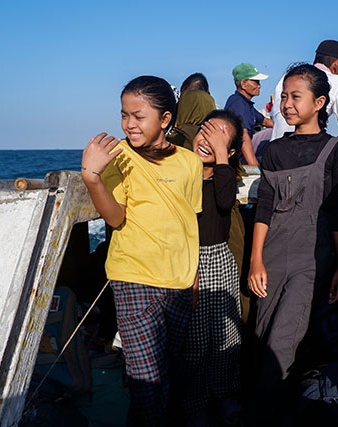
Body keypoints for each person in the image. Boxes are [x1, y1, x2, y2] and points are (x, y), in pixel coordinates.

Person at [81, 75, 203, 426]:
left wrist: (193, 279)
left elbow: (187, 225)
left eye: (138, 116)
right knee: (145, 376)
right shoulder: (119, 157)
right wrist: (92, 178)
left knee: (169, 369)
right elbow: (115, 218)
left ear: (165, 119)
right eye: (124, 115)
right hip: (132, 276)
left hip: (179, 281)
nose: (129, 124)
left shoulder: (189, 163)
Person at [247, 64, 338, 422]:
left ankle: (268, 416)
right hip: (272, 256)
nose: (286, 104)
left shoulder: (334, 150)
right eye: (284, 96)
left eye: (295, 96)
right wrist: (255, 260)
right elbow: (264, 208)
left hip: (312, 260)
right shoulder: (274, 152)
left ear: (319, 102)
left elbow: (335, 211)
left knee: (283, 343)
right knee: (260, 340)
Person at [184, 109, 244, 422]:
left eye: (220, 138)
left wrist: (221, 157)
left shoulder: (224, 178)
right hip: (187, 261)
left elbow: (223, 201)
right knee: (194, 342)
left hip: (218, 259)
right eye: (206, 131)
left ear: (230, 152)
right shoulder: (180, 173)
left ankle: (222, 395)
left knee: (226, 336)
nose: (208, 140)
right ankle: (194, 403)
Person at [271, 40, 338, 142]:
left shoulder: (288, 78)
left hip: (276, 146)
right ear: (337, 63)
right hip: (306, 151)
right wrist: (328, 150)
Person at [224, 63, 273, 165]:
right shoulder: (238, 104)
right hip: (236, 162)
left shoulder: (246, 104)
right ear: (243, 84)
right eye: (256, 82)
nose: (259, 86)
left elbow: (264, 121)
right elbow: (244, 136)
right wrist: (255, 168)